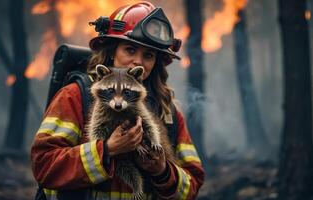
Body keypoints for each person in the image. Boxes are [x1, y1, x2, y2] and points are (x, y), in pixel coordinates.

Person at [31, 1, 205, 200]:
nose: (138, 61)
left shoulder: (168, 112)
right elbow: (44, 166)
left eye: (148, 55)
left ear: (156, 61)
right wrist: (106, 150)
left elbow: (193, 184)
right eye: (130, 50)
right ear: (112, 51)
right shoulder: (75, 97)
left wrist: (163, 171)